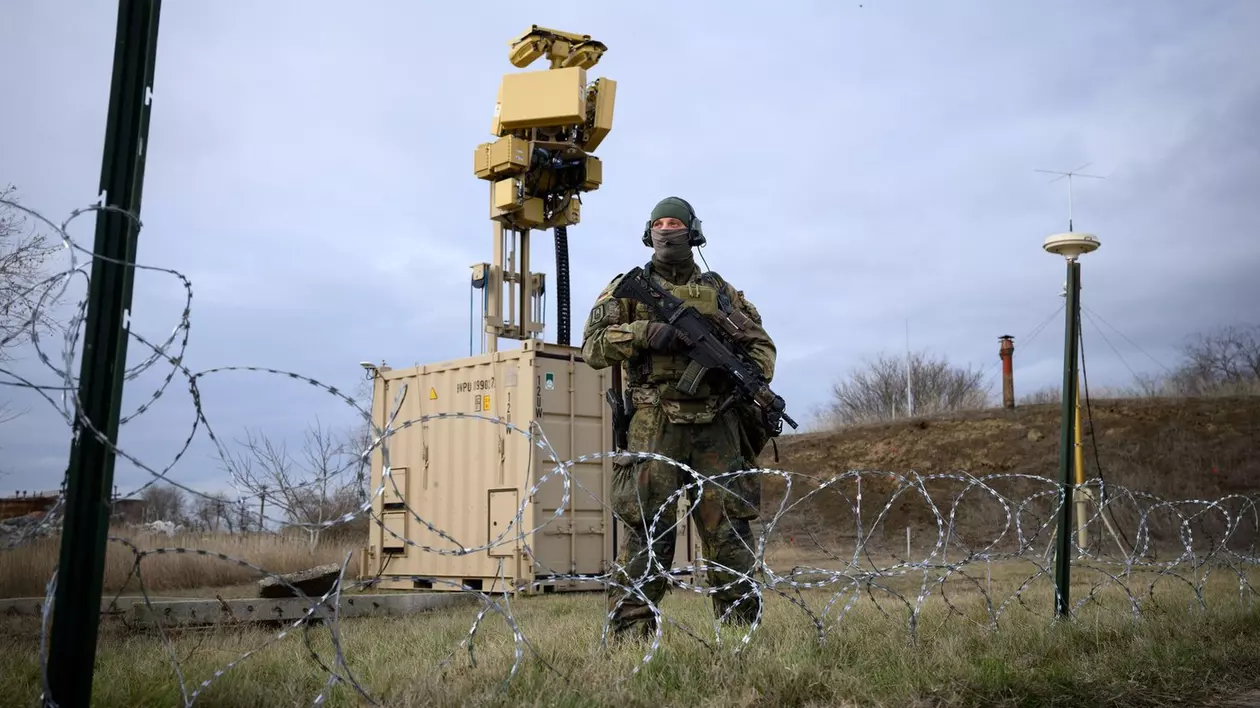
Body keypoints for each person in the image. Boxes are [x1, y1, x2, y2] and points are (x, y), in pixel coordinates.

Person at [580, 196, 778, 640]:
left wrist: (741, 374)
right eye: (660, 224)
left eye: (676, 223)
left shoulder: (723, 294)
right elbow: (591, 347)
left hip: (717, 425)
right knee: (649, 535)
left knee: (730, 532)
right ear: (649, 233)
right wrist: (647, 333)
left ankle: (742, 632)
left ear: (693, 232)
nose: (668, 231)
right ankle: (632, 637)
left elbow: (761, 347)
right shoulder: (628, 288)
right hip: (655, 423)